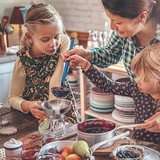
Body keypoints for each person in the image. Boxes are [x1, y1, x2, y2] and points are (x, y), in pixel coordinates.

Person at [66, 43, 160, 144]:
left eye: (144, 79)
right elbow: (107, 85)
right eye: (137, 76)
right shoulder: (136, 89)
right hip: (140, 146)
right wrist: (85, 65)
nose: (137, 81)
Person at [8, 3, 79, 124]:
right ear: (30, 37)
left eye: (56, 37)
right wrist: (29, 105)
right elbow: (13, 98)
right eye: (45, 39)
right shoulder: (23, 60)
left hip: (60, 110)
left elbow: (55, 81)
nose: (53, 44)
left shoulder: (63, 43)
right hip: (35, 117)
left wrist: (50, 113)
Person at [61, 0, 160, 82]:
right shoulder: (123, 33)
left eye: (118, 22)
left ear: (142, 17)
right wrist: (87, 55)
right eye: (111, 20)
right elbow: (111, 53)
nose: (112, 27)